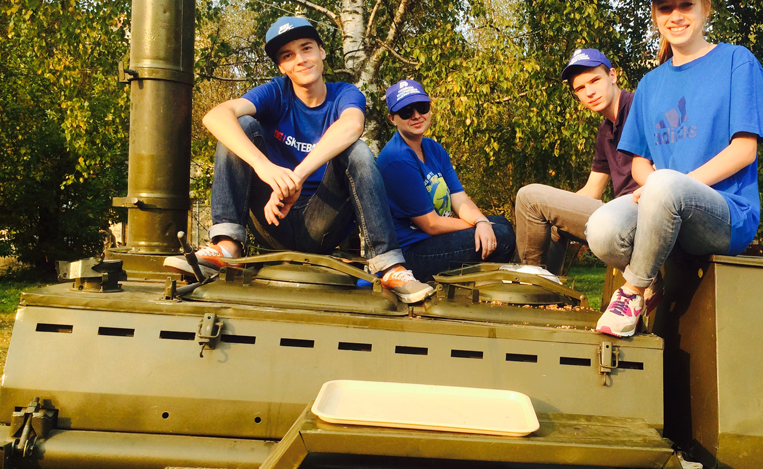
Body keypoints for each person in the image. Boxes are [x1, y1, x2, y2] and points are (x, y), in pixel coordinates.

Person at [164, 16, 432, 304]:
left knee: (357, 150)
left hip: (324, 223)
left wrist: (297, 176)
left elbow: (352, 125)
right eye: (288, 55)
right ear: (282, 67)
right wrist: (264, 167)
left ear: (321, 51)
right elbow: (215, 116)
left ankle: (389, 266)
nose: (300, 60)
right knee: (240, 126)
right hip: (272, 217)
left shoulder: (345, 94)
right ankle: (227, 245)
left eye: (306, 48)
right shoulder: (276, 92)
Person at [586, 0, 763, 337]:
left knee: (665, 185)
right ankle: (652, 276)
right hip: (666, 204)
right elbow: (639, 163)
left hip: (727, 213)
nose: (676, 16)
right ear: (655, 15)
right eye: (665, 7)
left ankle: (633, 291)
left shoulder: (737, 61)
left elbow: (744, 151)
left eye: (686, 5)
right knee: (601, 227)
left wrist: (671, 187)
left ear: (706, 7)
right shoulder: (650, 84)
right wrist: (655, 188)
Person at [515, 49, 639, 275]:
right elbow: (592, 191)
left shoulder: (640, 108)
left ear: (612, 76)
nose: (589, 92)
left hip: (639, 217)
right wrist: (557, 209)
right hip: (618, 214)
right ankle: (546, 289)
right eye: (580, 88)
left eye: (595, 81)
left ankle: (529, 286)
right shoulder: (605, 131)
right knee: (550, 221)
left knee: (529, 197)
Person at [377, 79, 516, 280]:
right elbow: (431, 224)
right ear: (392, 118)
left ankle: (473, 285)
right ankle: (474, 292)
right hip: (409, 253)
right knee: (501, 237)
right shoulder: (396, 158)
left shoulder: (433, 148)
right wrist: (480, 225)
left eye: (422, 107)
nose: (416, 115)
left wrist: (481, 221)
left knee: (501, 224)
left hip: (431, 239)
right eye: (406, 112)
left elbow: (459, 198)